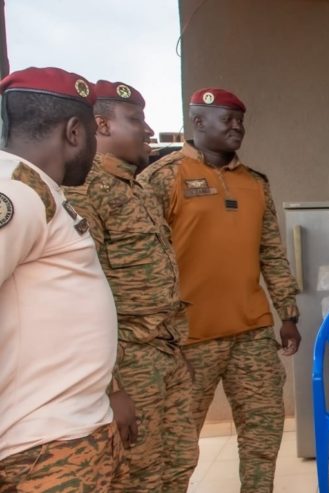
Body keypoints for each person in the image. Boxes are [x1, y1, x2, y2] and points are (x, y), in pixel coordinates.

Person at [140, 88, 301, 493]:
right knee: (175, 446)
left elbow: (271, 253)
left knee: (263, 433)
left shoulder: (255, 184)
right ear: (198, 123)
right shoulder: (162, 178)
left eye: (240, 120)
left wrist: (289, 314)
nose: (237, 127)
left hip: (250, 332)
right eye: (226, 119)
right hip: (186, 340)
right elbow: (141, 259)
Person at [64, 80, 199, 492]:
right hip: (128, 361)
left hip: (164, 352)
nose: (148, 130)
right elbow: (82, 298)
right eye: (136, 120)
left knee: (179, 462)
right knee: (140, 475)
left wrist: (177, 350)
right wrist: (113, 386)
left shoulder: (137, 187)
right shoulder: (85, 191)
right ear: (100, 126)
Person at [0, 67, 127, 491]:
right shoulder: (18, 193)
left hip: (66, 436)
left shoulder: (41, 190)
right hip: (40, 446)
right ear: (75, 132)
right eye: (93, 133)